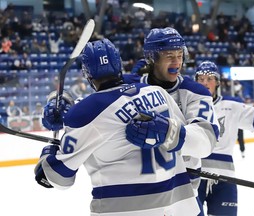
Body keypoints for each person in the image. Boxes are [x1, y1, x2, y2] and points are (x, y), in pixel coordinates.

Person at [35, 38, 200, 215]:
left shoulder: (85, 113)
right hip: (180, 206)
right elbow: (185, 141)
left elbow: (58, 178)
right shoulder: (157, 92)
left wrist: (49, 152)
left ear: (87, 73)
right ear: (119, 64)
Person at [123, 27, 220, 214]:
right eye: (169, 56)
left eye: (179, 55)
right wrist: (65, 105)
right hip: (140, 193)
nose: (177, 62)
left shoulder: (195, 92)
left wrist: (168, 132)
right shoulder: (129, 89)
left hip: (182, 193)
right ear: (152, 58)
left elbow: (206, 143)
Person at [194, 60, 254, 216]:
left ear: (217, 82)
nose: (205, 83)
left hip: (225, 178)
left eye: (210, 79)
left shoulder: (232, 105)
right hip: (193, 176)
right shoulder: (187, 106)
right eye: (201, 79)